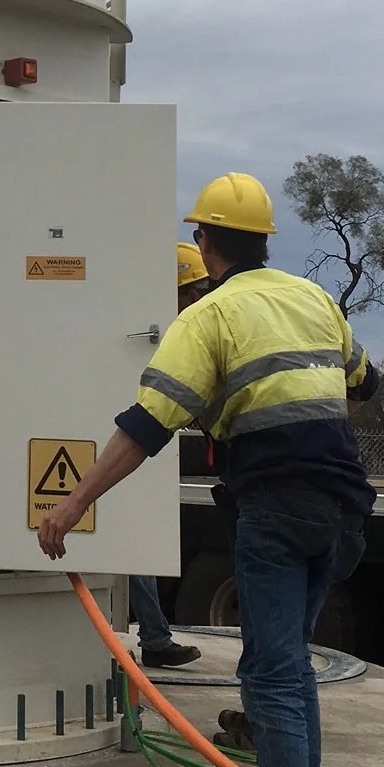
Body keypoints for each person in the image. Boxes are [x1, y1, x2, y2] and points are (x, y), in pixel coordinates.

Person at [38, 172, 377, 767]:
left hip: (279, 509)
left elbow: (147, 427)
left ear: (205, 243)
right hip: (347, 508)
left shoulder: (209, 314)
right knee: (289, 667)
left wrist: (73, 502)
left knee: (273, 674)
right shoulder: (313, 298)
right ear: (264, 241)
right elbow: (364, 379)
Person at [128, 243, 214, 669]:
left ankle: (155, 635)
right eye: (190, 291)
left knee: (133, 538)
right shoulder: (149, 334)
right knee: (128, 537)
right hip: (126, 449)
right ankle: (155, 636)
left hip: (139, 451)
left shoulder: (180, 332)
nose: (196, 299)